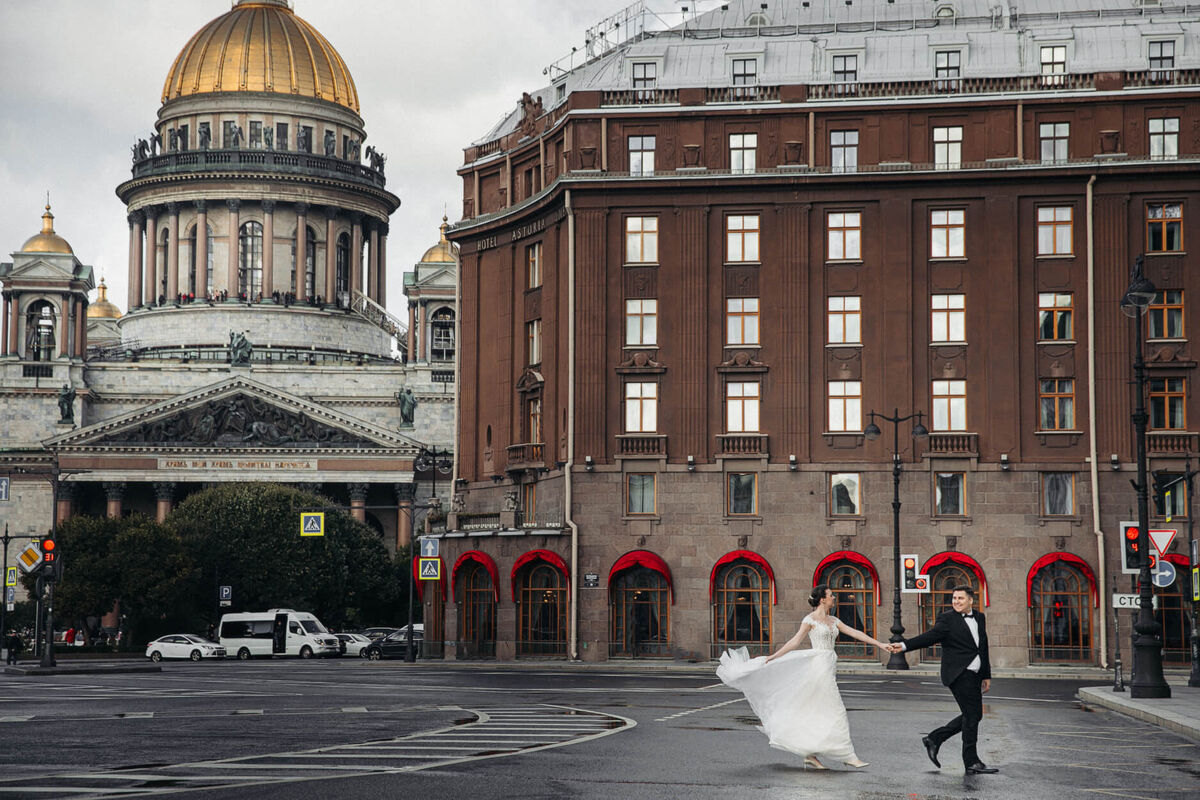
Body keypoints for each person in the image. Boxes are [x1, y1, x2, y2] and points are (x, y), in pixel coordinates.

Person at [716, 583, 895, 769]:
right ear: (823, 599)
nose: (834, 597)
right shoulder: (809, 620)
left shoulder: (834, 620)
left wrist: (880, 644)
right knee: (836, 710)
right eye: (831, 595)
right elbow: (794, 642)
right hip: (817, 669)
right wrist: (774, 656)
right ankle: (847, 755)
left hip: (828, 668)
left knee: (816, 712)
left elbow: (856, 633)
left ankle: (810, 755)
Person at [898, 585, 997, 775]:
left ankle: (935, 738)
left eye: (960, 598)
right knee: (972, 716)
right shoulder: (947, 619)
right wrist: (903, 646)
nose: (956, 602)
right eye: (954, 598)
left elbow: (983, 647)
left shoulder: (979, 617)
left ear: (971, 600)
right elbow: (929, 638)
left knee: (974, 715)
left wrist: (986, 674)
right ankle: (971, 761)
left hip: (975, 674)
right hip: (959, 673)